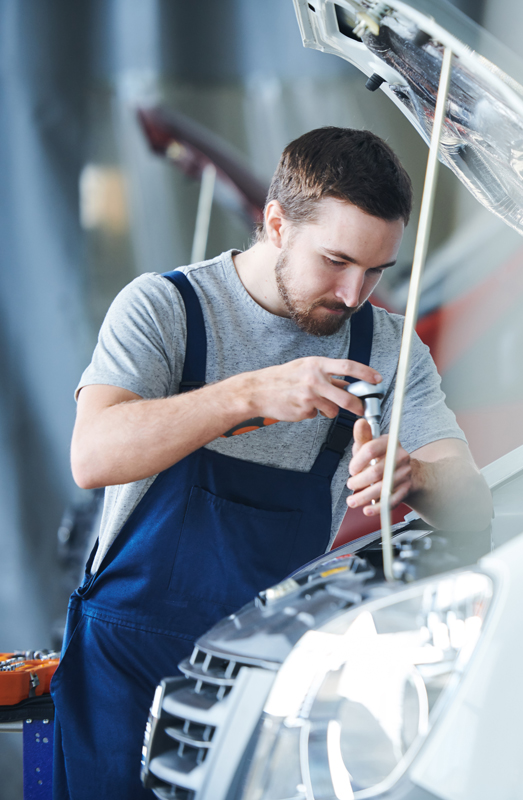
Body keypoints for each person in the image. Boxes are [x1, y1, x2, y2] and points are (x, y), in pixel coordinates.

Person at [51, 127, 493, 799]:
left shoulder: (388, 346)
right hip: (129, 665)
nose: (354, 293)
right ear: (276, 224)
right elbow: (93, 454)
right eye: (337, 261)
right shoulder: (165, 310)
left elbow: (474, 508)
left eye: (377, 270)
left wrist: (415, 475)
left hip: (271, 672)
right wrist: (250, 393)